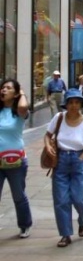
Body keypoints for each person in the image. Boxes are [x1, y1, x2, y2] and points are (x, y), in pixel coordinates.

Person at [43, 88, 83, 248]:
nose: (74, 105)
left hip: (78, 161)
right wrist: (48, 146)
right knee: (61, 200)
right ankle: (65, 234)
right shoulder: (59, 117)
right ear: (66, 104)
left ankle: (82, 221)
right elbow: (48, 135)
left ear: (81, 104)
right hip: (60, 160)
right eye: (71, 102)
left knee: (80, 198)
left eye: (77, 102)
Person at [0, 79, 32, 239]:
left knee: (18, 195)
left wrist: (23, 94)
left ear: (16, 93)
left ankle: (25, 224)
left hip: (16, 161)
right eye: (3, 88)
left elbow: (23, 106)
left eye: (8, 88)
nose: (4, 90)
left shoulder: (19, 111)